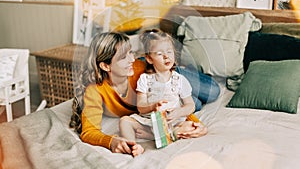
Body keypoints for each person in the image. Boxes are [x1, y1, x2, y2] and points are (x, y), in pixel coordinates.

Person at [69, 31, 220, 156]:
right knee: (197, 103)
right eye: (123, 57)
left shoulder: (139, 68)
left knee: (212, 92)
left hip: (164, 71)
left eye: (131, 52)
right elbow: (89, 132)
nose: (132, 59)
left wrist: (197, 123)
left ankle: (184, 69)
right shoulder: (95, 91)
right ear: (105, 66)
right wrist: (113, 141)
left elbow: (176, 103)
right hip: (155, 87)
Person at [119, 29, 205, 156]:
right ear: (149, 58)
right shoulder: (145, 79)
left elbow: (190, 105)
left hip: (173, 122)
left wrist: (178, 112)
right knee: (124, 121)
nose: (166, 56)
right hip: (148, 122)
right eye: (160, 54)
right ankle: (134, 145)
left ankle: (165, 135)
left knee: (191, 126)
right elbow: (141, 107)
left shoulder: (180, 80)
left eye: (169, 52)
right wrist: (153, 106)